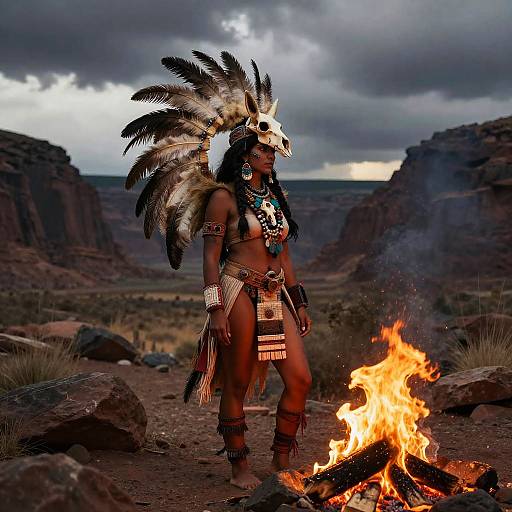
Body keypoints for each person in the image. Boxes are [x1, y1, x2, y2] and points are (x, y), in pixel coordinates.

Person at [122, 51, 312, 491]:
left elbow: (282, 254)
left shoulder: (274, 198)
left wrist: (298, 301)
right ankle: (240, 467)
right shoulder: (224, 198)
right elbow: (209, 258)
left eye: (273, 150)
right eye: (264, 149)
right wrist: (216, 311)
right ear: (246, 152)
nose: (271, 156)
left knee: (300, 379)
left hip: (275, 294)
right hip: (238, 291)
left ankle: (281, 464)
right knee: (239, 382)